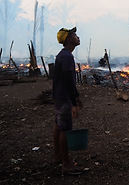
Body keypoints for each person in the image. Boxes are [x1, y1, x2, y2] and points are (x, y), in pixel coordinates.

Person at [52, 27, 84, 175]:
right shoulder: (66, 57)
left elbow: (69, 80)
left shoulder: (63, 55)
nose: (78, 37)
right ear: (69, 39)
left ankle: (58, 156)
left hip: (60, 95)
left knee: (59, 125)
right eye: (75, 35)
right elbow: (68, 81)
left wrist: (76, 96)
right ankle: (66, 163)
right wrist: (74, 103)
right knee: (65, 128)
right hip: (64, 96)